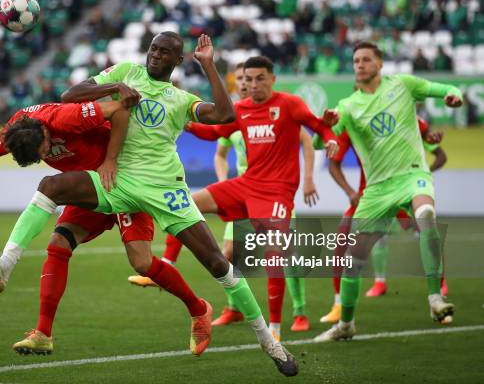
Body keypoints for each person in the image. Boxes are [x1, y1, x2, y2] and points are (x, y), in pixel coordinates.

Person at [0, 33, 300, 376]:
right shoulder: (126, 72)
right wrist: (117, 87)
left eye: (165, 53)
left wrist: (208, 64)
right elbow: (69, 95)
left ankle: (271, 343)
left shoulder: (181, 99)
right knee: (50, 186)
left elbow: (224, 114)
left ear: (178, 61)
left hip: (165, 189)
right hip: (117, 180)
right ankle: (6, 264)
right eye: (153, 49)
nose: (156, 56)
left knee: (217, 264)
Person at [0, 100, 211, 357]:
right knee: (58, 243)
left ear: (44, 132)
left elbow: (119, 109)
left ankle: (198, 309)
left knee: (142, 263)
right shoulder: (16, 131)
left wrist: (110, 160)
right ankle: (43, 333)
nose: (44, 156)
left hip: (127, 178)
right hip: (90, 187)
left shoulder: (66, 117)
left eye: (43, 151)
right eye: (39, 157)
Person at [129, 62, 321, 334]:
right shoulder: (236, 115)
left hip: (274, 194)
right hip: (242, 191)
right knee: (228, 252)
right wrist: (183, 119)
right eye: (242, 80)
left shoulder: (280, 111)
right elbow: (218, 147)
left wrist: (310, 177)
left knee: (280, 255)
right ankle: (231, 307)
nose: (246, 84)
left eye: (251, 79)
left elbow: (306, 137)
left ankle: (298, 313)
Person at [314, 41, 462, 342]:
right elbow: (323, 144)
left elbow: (446, 88)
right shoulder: (348, 107)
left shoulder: (404, 85)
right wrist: (323, 128)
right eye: (356, 60)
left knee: (426, 214)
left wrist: (453, 96)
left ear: (380, 64)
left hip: (411, 175)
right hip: (377, 189)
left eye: (366, 59)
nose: (359, 65)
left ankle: (435, 298)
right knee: (352, 262)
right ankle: (346, 324)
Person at [316, 116, 447, 324]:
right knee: (342, 243)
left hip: (404, 191)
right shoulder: (353, 124)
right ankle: (340, 304)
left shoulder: (407, 118)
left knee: (425, 230)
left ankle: (438, 294)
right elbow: (333, 163)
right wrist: (350, 192)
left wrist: (420, 176)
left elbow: (439, 153)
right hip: (371, 196)